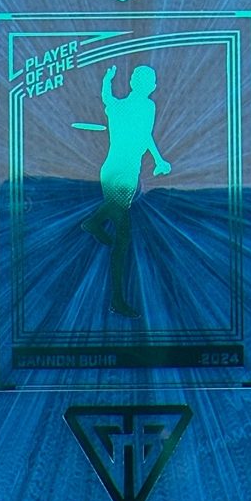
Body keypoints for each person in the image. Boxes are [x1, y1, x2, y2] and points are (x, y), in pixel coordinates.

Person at [81, 64, 171, 317]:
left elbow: (107, 97)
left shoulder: (117, 106)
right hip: (125, 172)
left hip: (110, 169)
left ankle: (117, 298)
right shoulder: (147, 107)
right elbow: (145, 136)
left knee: (121, 232)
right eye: (151, 82)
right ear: (150, 86)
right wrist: (159, 160)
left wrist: (107, 80)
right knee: (122, 236)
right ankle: (117, 299)